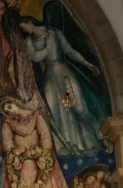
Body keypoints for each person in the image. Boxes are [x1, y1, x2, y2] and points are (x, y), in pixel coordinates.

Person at [18, 12, 111, 157]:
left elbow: (69, 50)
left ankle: (99, 134)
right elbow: (35, 57)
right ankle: (69, 145)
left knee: (79, 106)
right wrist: (48, 46)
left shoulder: (54, 32)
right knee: (56, 111)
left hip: (65, 73)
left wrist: (86, 63)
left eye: (24, 27)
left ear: (30, 21)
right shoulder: (29, 40)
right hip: (50, 76)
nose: (24, 30)